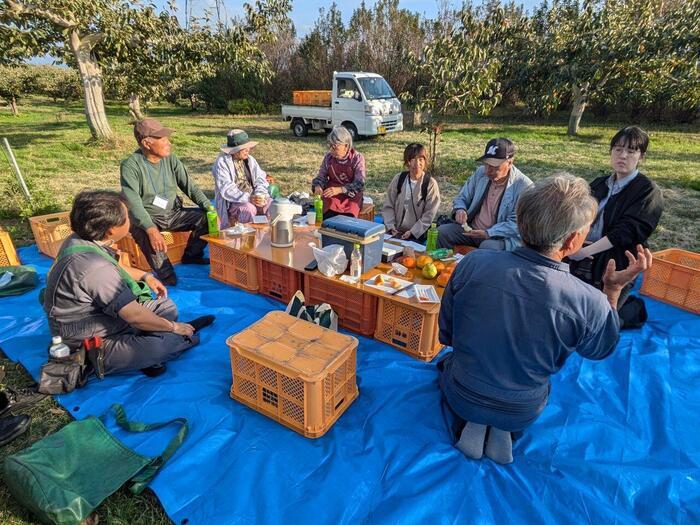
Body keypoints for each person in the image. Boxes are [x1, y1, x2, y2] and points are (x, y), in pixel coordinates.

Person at [438, 174, 652, 464]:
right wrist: (612, 291)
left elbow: (447, 334)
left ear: (522, 222)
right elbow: (601, 349)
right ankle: (503, 426)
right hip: (522, 406)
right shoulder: (588, 300)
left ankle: (474, 422)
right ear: (574, 240)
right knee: (521, 389)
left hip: (462, 390)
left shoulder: (474, 263)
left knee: (452, 368)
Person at [43, 190, 214, 377]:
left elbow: (116, 268)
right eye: (127, 217)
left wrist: (145, 276)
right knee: (158, 347)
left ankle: (148, 345)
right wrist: (174, 327)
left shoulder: (80, 240)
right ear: (111, 230)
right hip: (91, 339)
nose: (130, 220)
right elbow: (134, 315)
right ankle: (165, 344)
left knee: (166, 306)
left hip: (106, 318)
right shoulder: (93, 267)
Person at [568, 126, 663, 310]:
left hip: (615, 263)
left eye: (631, 151)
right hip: (581, 256)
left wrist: (584, 252)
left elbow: (626, 232)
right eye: (618, 149)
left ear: (641, 156)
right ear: (611, 152)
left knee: (601, 316)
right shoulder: (600, 183)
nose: (623, 156)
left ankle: (628, 311)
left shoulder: (648, 191)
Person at [120, 118, 212, 286]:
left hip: (172, 213)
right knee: (144, 233)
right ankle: (165, 273)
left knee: (205, 217)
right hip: (148, 217)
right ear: (147, 143)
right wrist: (151, 229)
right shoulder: (130, 166)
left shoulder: (170, 159)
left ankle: (191, 255)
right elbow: (132, 202)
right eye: (163, 139)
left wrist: (210, 208)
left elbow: (189, 186)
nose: (169, 143)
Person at [437, 138, 532, 251]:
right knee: (441, 233)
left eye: (494, 167)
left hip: (499, 237)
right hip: (472, 230)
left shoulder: (524, 187)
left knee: (487, 247)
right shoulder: (480, 173)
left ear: (510, 162)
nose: (488, 171)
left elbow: (516, 225)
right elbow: (462, 197)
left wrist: (488, 233)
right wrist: (460, 209)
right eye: (486, 164)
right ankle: (448, 266)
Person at [212, 129, 272, 228]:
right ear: (235, 150)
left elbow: (260, 178)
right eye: (244, 148)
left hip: (252, 197)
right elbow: (227, 189)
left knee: (272, 204)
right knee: (248, 209)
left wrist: (260, 194)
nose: (248, 150)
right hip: (233, 202)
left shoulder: (250, 159)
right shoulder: (222, 162)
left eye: (248, 147)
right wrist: (248, 198)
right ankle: (246, 241)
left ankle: (267, 237)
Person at [382, 143, 441, 242]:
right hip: (394, 231)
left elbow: (429, 214)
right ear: (407, 162)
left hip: (416, 234)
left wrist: (413, 232)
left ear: (425, 161)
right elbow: (388, 205)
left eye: (420, 159)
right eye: (413, 159)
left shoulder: (430, 184)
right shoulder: (399, 179)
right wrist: (390, 226)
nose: (417, 164)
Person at [311, 126, 366, 219]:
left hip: (350, 195)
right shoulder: (329, 158)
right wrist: (318, 186)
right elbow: (321, 176)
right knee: (329, 214)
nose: (332, 150)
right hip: (332, 194)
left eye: (335, 147)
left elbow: (360, 183)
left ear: (346, 146)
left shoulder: (357, 158)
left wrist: (341, 189)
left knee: (347, 218)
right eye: (330, 146)